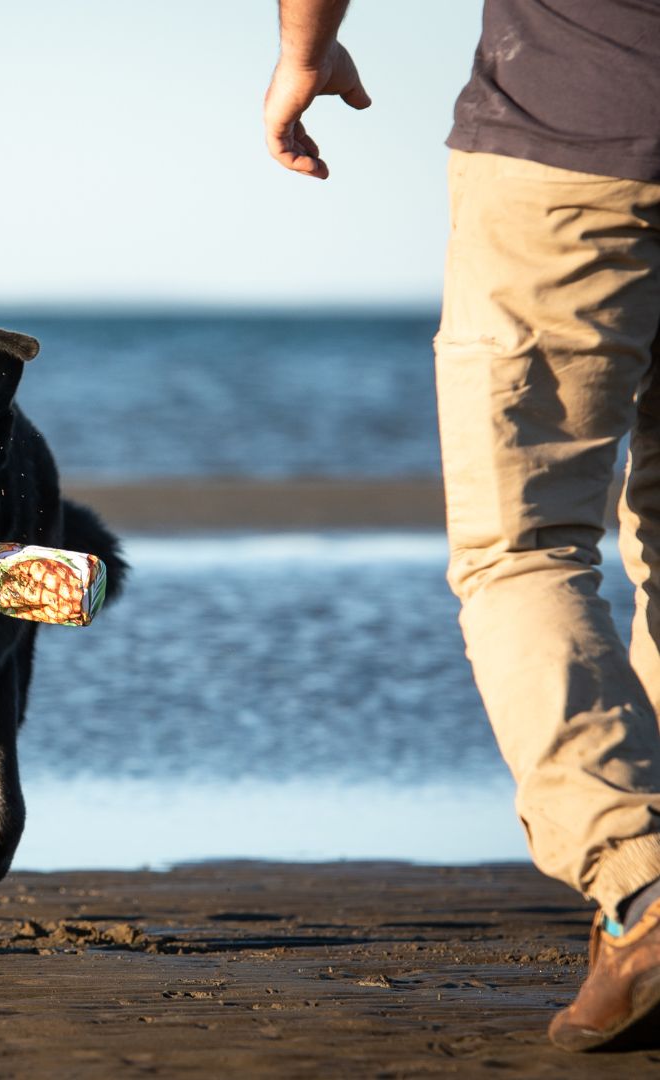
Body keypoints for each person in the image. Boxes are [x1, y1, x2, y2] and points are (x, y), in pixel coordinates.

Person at [264, 0, 660, 1053]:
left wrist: (304, 49)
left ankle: (642, 888)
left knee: (523, 547)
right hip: (571, 135)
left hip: (565, 142)